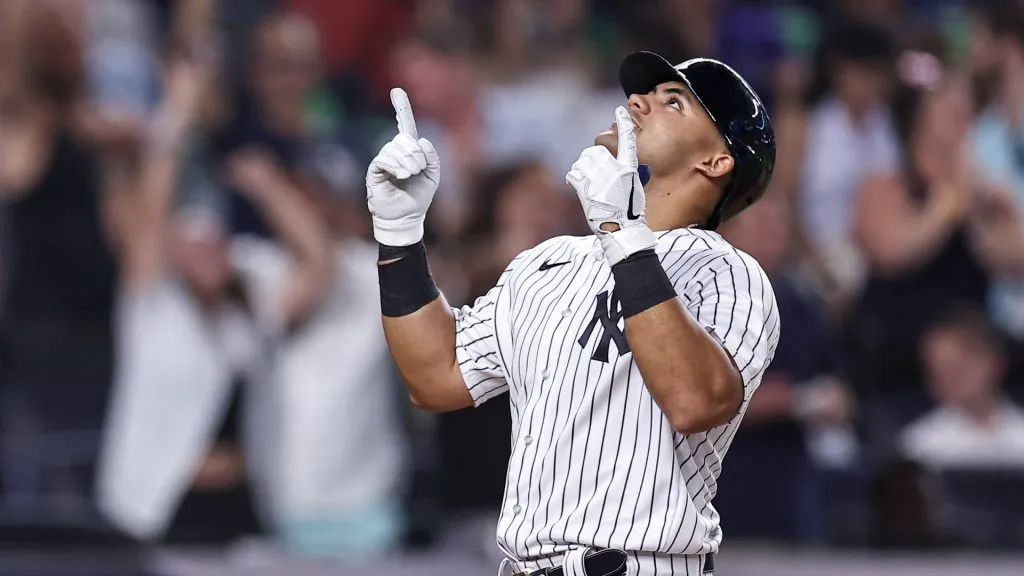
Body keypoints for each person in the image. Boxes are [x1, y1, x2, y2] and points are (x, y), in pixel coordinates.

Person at [366, 50, 780, 575]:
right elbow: (437, 377)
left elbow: (696, 400)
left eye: (672, 101)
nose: (638, 102)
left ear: (716, 161)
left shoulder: (726, 271)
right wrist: (400, 235)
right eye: (643, 93)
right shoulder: (548, 260)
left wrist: (624, 235)